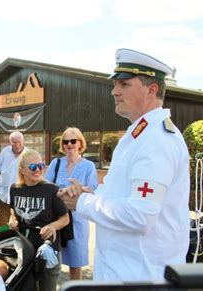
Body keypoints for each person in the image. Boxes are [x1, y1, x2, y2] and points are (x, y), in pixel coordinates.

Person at [57, 48, 190, 281]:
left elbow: (140, 214)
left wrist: (83, 202)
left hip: (142, 277)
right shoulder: (139, 135)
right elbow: (125, 196)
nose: (114, 92)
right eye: (116, 84)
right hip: (126, 273)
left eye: (125, 84)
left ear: (152, 89)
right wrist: (91, 193)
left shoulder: (156, 140)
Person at [9, 149, 69, 290]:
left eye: (41, 166)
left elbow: (65, 218)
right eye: (33, 167)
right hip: (24, 249)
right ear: (22, 170)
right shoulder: (15, 189)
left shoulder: (52, 189)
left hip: (46, 249)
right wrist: (12, 220)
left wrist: (53, 226)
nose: (38, 170)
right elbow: (13, 210)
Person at [44, 127, 98, 280]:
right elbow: (46, 187)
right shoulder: (56, 163)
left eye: (73, 141)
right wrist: (60, 193)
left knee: (76, 262)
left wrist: (79, 191)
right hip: (57, 218)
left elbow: (92, 190)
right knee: (51, 258)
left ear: (80, 143)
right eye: (66, 141)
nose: (69, 144)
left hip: (78, 220)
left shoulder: (89, 166)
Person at [0, 131, 26, 226]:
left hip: (21, 195)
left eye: (19, 142)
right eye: (14, 142)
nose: (17, 145)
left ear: (23, 141)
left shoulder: (28, 154)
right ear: (10, 143)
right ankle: (1, 240)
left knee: (19, 223)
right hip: (3, 194)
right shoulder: (5, 152)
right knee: (2, 223)